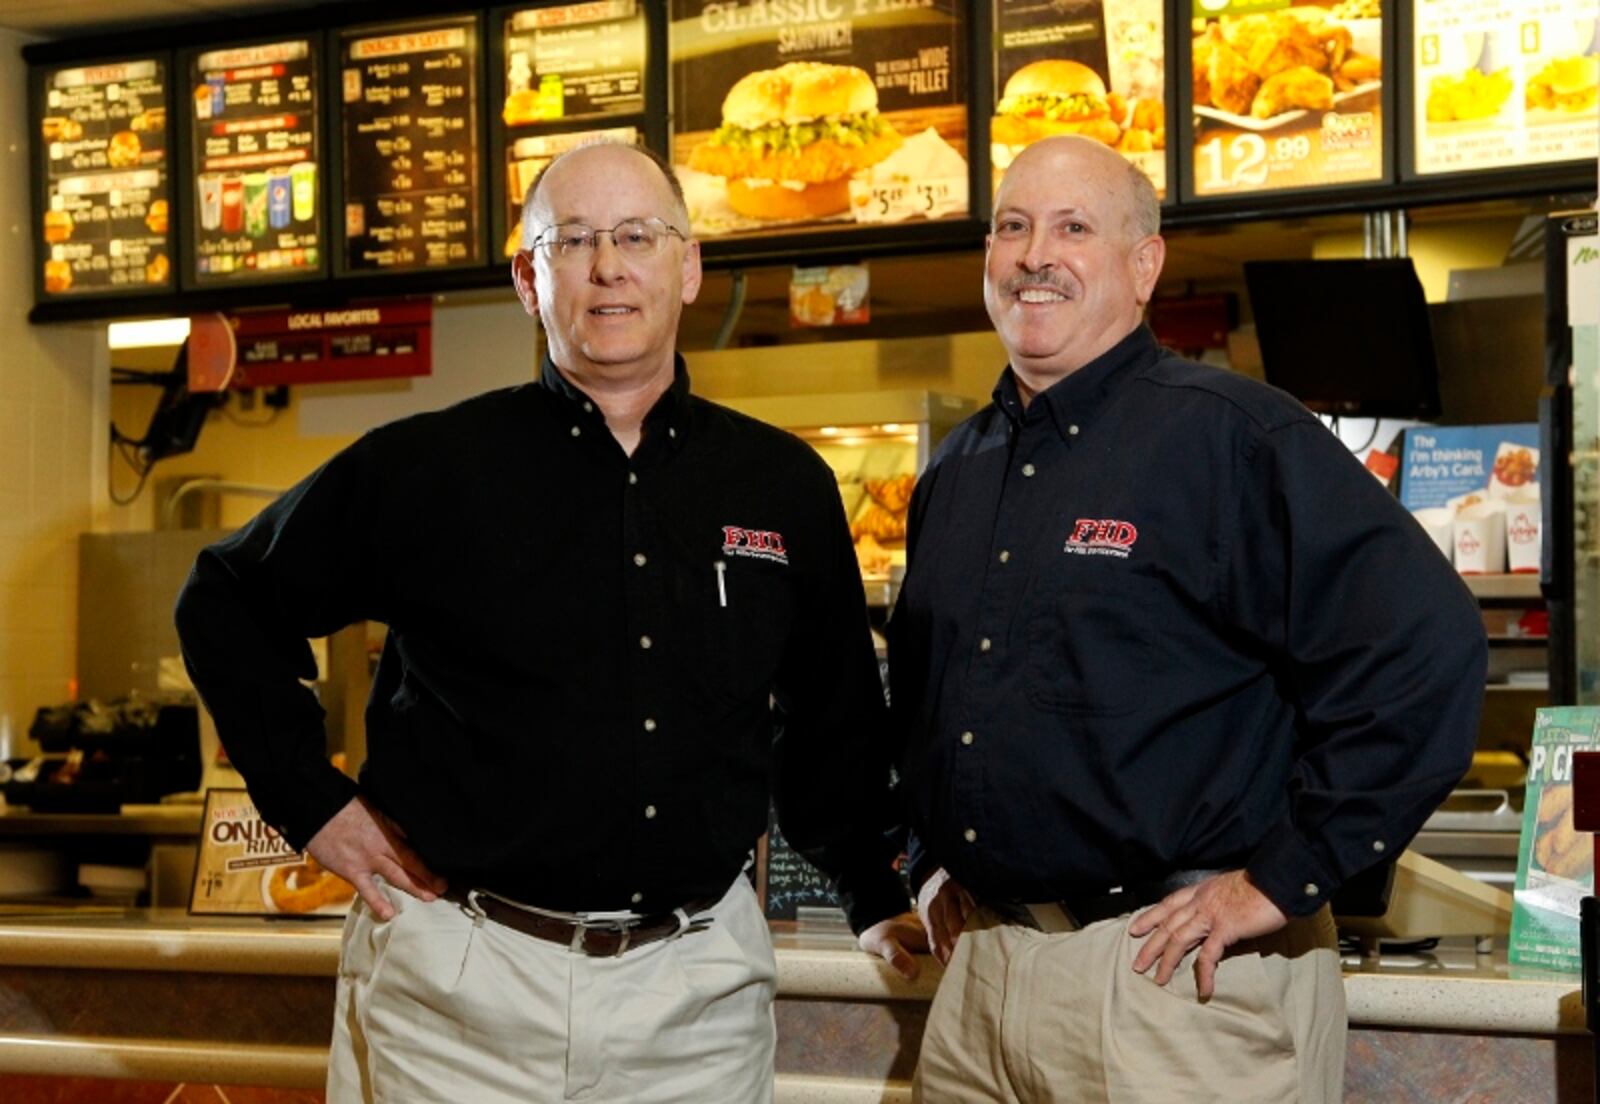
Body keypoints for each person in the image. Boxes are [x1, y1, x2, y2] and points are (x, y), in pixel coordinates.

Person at [174, 141, 916, 1104]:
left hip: (697, 998)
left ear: (688, 268)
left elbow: (832, 720)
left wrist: (871, 888)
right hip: (462, 994)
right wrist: (310, 802)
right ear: (530, 278)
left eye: (638, 236)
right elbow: (224, 597)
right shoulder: (429, 469)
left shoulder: (782, 487)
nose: (609, 266)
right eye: (574, 240)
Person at [882, 135, 1485, 1103]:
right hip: (982, 986)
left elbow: (1428, 653)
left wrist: (1281, 880)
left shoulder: (1234, 438)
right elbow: (920, 694)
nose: (1035, 254)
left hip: (1172, 983)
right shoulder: (959, 465)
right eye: (1011, 226)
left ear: (1144, 263)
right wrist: (920, 854)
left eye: (1073, 227)